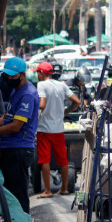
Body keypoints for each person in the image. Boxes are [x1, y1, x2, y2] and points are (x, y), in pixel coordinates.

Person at [0, 57, 39, 213]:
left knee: (18, 194)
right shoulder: (17, 91)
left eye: (12, 76)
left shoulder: (27, 94)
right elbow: (6, 118)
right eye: (6, 75)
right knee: (9, 192)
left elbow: (15, 126)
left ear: (22, 74)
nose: (8, 79)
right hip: (10, 148)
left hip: (19, 149)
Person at [34, 62, 80, 198]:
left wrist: (36, 110)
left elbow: (42, 104)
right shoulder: (62, 85)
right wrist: (65, 112)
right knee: (63, 160)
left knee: (45, 160)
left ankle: (48, 191)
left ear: (42, 73)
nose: (37, 75)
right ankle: (64, 188)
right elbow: (77, 102)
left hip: (44, 129)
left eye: (38, 72)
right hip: (59, 129)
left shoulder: (41, 85)